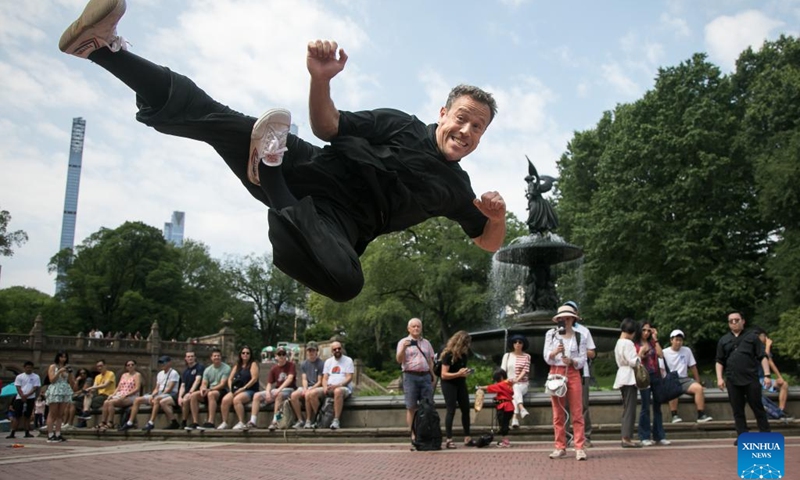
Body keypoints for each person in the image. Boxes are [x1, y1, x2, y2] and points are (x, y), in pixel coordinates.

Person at [58, 0, 507, 304]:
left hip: (331, 226)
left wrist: (497, 218)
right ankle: (100, 48)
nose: (466, 130)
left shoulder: (455, 187)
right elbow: (327, 126)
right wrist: (321, 80)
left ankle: (270, 175)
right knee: (213, 116)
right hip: (304, 162)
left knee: (347, 283)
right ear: (444, 112)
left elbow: (487, 243)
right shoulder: (398, 124)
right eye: (462, 117)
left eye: (478, 127)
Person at [715, 311, 771, 443]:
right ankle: (742, 435)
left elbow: (762, 356)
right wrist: (719, 378)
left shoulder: (752, 337)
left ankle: (765, 433)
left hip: (751, 378)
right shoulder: (724, 340)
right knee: (737, 409)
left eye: (737, 320)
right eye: (731, 321)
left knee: (757, 407)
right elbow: (719, 360)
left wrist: (767, 375)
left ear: (743, 321)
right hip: (732, 379)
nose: (734, 323)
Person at [544, 305, 588, 460]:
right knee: (557, 412)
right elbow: (546, 356)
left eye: (569, 318)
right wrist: (555, 352)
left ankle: (579, 446)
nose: (566, 321)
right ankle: (560, 446)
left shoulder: (579, 336)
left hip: (572, 372)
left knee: (577, 411)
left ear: (573, 319)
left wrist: (572, 361)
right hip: (556, 372)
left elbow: (583, 359)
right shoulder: (551, 334)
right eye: (562, 318)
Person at [564, 301, 597, 448]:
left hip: (581, 372)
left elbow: (592, 352)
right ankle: (565, 437)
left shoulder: (583, 331)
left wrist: (579, 352)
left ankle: (585, 436)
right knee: (563, 406)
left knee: (582, 405)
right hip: (563, 373)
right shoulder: (556, 332)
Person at [396, 317, 435, 438]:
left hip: (425, 376)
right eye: (414, 326)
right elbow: (398, 360)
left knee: (428, 405)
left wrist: (433, 376)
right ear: (408, 328)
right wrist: (404, 348)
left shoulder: (426, 343)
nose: (416, 328)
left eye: (418, 326)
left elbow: (430, 360)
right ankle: (413, 434)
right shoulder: (403, 342)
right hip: (410, 376)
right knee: (411, 406)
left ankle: (427, 432)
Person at [662, 330, 712, 424]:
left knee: (698, 389)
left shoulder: (687, 350)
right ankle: (674, 415)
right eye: (676, 340)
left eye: (680, 340)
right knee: (672, 389)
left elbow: (692, 366)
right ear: (671, 340)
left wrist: (698, 381)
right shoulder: (665, 352)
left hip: (684, 379)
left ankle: (701, 414)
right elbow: (661, 369)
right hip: (671, 378)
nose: (678, 342)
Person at [633, 321, 670, 446]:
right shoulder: (635, 344)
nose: (646, 333)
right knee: (645, 406)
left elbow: (660, 355)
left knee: (657, 406)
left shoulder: (652, 343)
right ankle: (644, 435)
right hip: (644, 377)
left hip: (655, 375)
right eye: (644, 330)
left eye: (648, 330)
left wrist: (655, 339)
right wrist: (641, 352)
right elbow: (636, 360)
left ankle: (659, 435)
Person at [120, 356, 181, 431]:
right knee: (137, 400)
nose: (162, 364)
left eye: (164, 362)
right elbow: (157, 388)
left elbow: (169, 389)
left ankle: (151, 422)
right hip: (159, 393)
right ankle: (130, 422)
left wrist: (157, 396)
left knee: (157, 399)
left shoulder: (174, 373)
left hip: (170, 394)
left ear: (169, 363)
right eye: (160, 363)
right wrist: (152, 395)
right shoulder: (160, 374)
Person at [439, 331, 474, 449]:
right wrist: (458, 373)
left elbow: (461, 369)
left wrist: (465, 373)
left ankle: (467, 436)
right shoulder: (448, 354)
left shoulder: (464, 355)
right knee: (451, 410)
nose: (467, 347)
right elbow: (444, 374)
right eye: (466, 344)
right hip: (449, 384)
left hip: (460, 382)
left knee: (466, 408)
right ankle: (449, 439)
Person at [308, 341, 354, 430]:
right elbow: (325, 378)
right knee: (312, 393)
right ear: (331, 351)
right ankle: (321, 418)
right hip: (329, 386)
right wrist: (325, 387)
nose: (337, 350)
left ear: (342, 349)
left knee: (338, 391)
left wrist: (338, 385)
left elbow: (349, 378)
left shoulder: (348, 360)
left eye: (339, 348)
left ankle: (336, 420)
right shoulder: (328, 362)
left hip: (343, 387)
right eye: (335, 349)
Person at [248, 346, 296, 431]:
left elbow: (289, 379)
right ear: (276, 356)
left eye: (283, 354)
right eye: (279, 354)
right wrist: (267, 393)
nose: (281, 356)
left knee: (279, 395)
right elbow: (269, 383)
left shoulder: (291, 365)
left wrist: (279, 389)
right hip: (277, 390)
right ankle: (252, 421)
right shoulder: (274, 368)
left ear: (286, 356)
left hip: (289, 389)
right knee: (256, 395)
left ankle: (275, 420)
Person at [613, 318, 641, 449]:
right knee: (630, 407)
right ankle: (626, 437)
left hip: (622, 375)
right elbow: (633, 361)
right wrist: (640, 355)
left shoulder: (619, 342)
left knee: (627, 406)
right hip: (629, 376)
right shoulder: (628, 343)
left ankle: (626, 436)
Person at [218, 346, 260, 430]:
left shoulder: (253, 364)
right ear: (240, 354)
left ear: (250, 355)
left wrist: (243, 388)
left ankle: (241, 422)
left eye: (247, 353)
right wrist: (231, 389)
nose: (245, 355)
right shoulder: (238, 365)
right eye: (243, 353)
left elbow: (254, 379)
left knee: (237, 400)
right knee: (225, 400)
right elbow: (230, 378)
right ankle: (225, 422)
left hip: (249, 389)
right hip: (236, 389)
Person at [753, 327, 792, 418]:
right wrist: (767, 346)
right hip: (755, 380)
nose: (766, 338)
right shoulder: (754, 348)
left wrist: (780, 377)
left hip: (764, 379)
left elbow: (770, 362)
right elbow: (764, 358)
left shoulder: (764, 349)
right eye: (764, 336)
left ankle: (781, 409)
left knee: (784, 384)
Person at [189, 348, 231, 430]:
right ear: (211, 358)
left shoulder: (226, 368)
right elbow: (204, 383)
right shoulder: (207, 370)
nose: (217, 357)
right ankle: (195, 422)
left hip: (221, 391)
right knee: (193, 395)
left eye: (218, 356)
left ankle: (210, 422)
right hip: (210, 390)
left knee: (211, 394)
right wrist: (203, 389)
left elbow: (222, 384)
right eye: (215, 356)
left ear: (221, 357)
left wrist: (210, 390)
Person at [289, 341, 326, 429]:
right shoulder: (304, 364)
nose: (311, 353)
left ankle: (310, 419)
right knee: (293, 395)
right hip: (308, 386)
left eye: (313, 350)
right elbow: (304, 379)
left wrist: (310, 389)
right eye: (309, 351)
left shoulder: (321, 364)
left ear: (316, 351)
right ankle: (300, 419)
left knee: (308, 395)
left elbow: (320, 381)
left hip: (317, 386)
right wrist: (305, 388)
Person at [98, 359, 141, 431]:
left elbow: (137, 388)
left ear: (135, 366)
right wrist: (112, 395)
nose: (130, 366)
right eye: (128, 365)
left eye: (132, 364)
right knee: (106, 402)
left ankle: (110, 422)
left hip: (131, 396)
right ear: (126, 367)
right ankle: (103, 422)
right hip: (120, 394)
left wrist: (127, 395)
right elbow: (118, 387)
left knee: (111, 403)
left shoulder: (137, 375)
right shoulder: (124, 375)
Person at [476, 368, 515, 448]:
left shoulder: (502, 384)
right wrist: (496, 401)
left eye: (496, 379)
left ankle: (505, 441)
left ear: (500, 377)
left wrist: (480, 387)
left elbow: (490, 387)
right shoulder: (508, 384)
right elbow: (505, 398)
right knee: (505, 424)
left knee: (503, 425)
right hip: (509, 407)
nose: (496, 382)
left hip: (504, 408)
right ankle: (504, 440)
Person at [45, 351, 76, 443]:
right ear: (58, 357)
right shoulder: (53, 367)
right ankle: (50, 434)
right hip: (55, 389)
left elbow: (71, 382)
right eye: (61, 357)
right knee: (52, 413)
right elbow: (52, 380)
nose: (63, 359)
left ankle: (58, 433)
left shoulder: (67, 368)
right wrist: (59, 371)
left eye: (65, 357)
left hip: (64, 389)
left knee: (60, 413)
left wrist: (70, 373)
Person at [501, 334, 530, 429]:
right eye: (515, 342)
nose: (517, 344)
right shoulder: (507, 355)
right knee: (514, 389)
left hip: (523, 384)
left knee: (516, 387)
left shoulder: (527, 356)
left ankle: (516, 415)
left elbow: (525, 371)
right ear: (512, 344)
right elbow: (502, 371)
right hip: (509, 383)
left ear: (523, 344)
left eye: (520, 342)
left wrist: (516, 380)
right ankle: (519, 412)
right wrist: (505, 382)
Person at [6, 361, 40, 439]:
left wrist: (27, 395)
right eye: (27, 367)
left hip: (30, 398)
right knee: (16, 416)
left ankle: (27, 432)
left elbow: (35, 388)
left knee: (27, 416)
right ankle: (12, 432)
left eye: (30, 367)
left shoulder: (36, 377)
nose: (29, 369)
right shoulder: (19, 376)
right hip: (19, 398)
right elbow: (18, 387)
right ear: (24, 368)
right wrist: (22, 396)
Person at [178, 351, 205, 429]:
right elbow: (182, 385)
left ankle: (195, 422)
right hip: (187, 394)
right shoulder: (185, 371)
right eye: (188, 357)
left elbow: (198, 380)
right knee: (184, 401)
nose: (190, 358)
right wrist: (180, 397)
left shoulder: (199, 367)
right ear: (185, 358)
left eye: (192, 356)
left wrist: (190, 392)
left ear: (195, 358)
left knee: (189, 397)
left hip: (198, 392)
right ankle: (184, 421)